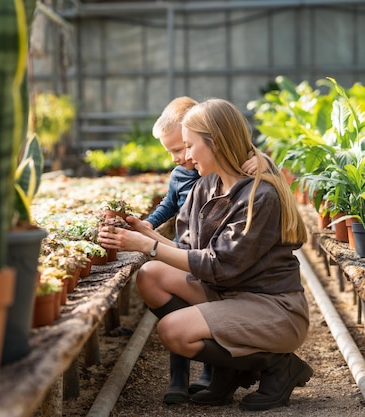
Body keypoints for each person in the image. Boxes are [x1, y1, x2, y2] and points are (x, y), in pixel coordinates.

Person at [98, 98, 312, 411]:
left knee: (173, 332)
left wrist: (148, 247)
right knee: (151, 275)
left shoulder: (259, 196)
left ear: (215, 142)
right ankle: (229, 369)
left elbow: (219, 265)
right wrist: (145, 233)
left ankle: (280, 365)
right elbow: (190, 252)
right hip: (230, 294)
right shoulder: (206, 186)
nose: (181, 157)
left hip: (273, 308)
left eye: (187, 146)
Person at [142, 96, 263, 404]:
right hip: (190, 250)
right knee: (178, 303)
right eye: (171, 150)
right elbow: (168, 205)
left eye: (182, 147)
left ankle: (215, 369)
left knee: (206, 309)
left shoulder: (223, 175)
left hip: (217, 257)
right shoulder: (182, 175)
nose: (177, 157)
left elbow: (263, 177)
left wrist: (263, 161)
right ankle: (179, 375)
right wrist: (147, 226)